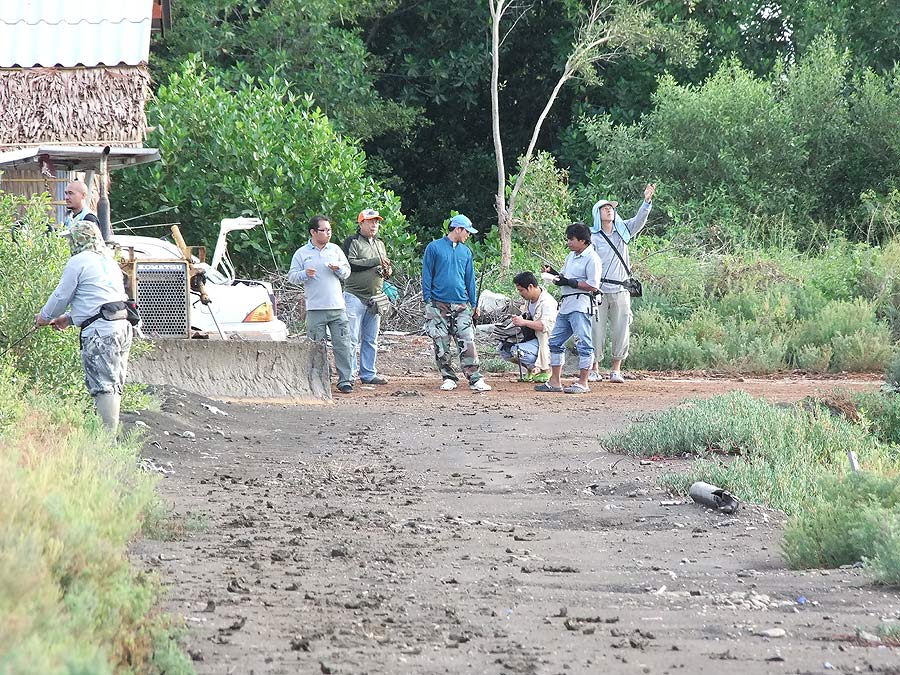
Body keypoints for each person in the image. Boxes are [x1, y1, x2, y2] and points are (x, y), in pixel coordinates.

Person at [35, 220, 133, 433]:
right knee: (114, 384)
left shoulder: (78, 261)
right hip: (121, 325)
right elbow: (98, 298)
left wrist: (44, 317)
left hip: (101, 332)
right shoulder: (109, 261)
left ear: (79, 240)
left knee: (104, 387)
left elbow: (61, 296)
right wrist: (69, 319)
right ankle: (108, 434)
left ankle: (106, 442)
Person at [589, 183, 656, 384]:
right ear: (597, 213)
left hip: (621, 288)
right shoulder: (592, 236)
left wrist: (646, 201)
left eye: (611, 208)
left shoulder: (623, 231)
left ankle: (616, 369)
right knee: (595, 330)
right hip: (599, 289)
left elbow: (639, 221)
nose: (609, 210)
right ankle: (594, 368)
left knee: (621, 329)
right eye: (604, 208)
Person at [421, 214, 491, 392]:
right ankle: (448, 377)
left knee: (467, 339)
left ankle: (475, 378)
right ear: (458, 229)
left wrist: (474, 303)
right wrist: (428, 301)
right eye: (467, 231)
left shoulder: (466, 251)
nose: (468, 235)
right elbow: (427, 274)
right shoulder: (434, 247)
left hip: (461, 304)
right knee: (441, 342)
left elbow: (470, 279)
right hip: (438, 303)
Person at [288, 215, 354, 394]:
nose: (327, 233)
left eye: (329, 230)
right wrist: (304, 274)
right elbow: (291, 276)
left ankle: (346, 380)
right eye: (323, 230)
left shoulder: (335, 250)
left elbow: (347, 272)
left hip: (337, 306)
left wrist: (338, 269)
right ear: (313, 232)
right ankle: (319, 379)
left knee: (343, 344)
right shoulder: (302, 253)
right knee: (316, 345)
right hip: (315, 308)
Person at [535, 222, 601, 395]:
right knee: (555, 341)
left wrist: (569, 282)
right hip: (566, 305)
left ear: (582, 240)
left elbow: (593, 285)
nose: (568, 243)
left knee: (583, 343)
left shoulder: (592, 258)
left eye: (571, 239)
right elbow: (565, 277)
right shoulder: (571, 256)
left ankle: (583, 381)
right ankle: (555, 381)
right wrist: (554, 274)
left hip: (580, 304)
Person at [342, 208, 392, 385]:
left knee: (371, 338)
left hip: (375, 296)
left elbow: (380, 267)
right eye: (371, 221)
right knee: (352, 338)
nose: (374, 224)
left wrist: (386, 270)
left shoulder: (380, 243)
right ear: (361, 223)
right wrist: (375, 262)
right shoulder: (352, 241)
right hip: (354, 295)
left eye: (377, 221)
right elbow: (350, 264)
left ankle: (368, 374)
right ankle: (350, 375)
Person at [497, 271, 558, 382]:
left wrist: (523, 322)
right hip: (531, 338)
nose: (520, 293)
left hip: (545, 341)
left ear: (530, 287)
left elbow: (544, 326)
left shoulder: (547, 302)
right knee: (503, 348)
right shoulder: (529, 301)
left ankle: (546, 370)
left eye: (521, 290)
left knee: (517, 350)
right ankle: (532, 369)